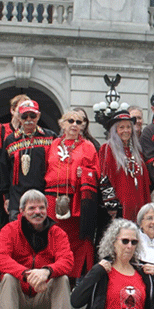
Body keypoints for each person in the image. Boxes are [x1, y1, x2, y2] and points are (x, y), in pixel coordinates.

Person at [0, 189, 75, 309]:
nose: (37, 212)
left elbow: (67, 261)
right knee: (7, 278)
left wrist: (46, 272)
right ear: (22, 211)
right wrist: (25, 275)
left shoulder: (57, 233)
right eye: (31, 208)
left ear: (47, 209)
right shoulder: (9, 230)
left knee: (62, 279)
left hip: (43, 297)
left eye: (41, 208)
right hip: (18, 298)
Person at [45, 108, 101, 279]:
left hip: (76, 198)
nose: (74, 125)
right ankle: (53, 271)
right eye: (70, 121)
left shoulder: (88, 146)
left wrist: (84, 172)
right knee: (53, 236)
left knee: (77, 239)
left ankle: (76, 275)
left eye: (78, 122)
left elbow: (96, 171)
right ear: (62, 124)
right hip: (53, 197)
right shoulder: (53, 144)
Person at [0, 100, 56, 219]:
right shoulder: (10, 140)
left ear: (38, 116)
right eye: (24, 116)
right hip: (17, 198)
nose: (29, 119)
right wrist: (6, 197)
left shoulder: (50, 137)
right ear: (18, 117)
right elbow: (4, 170)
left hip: (43, 195)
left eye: (32, 115)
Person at [98, 109, 151, 221]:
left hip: (139, 204)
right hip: (120, 207)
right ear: (115, 130)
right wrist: (111, 204)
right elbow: (104, 177)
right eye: (121, 127)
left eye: (128, 127)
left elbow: (144, 180)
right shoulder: (107, 149)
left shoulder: (137, 151)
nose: (125, 130)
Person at [0, 94, 28, 224]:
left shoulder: (29, 133)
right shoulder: (1, 128)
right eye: (21, 108)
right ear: (12, 110)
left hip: (23, 183)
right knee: (6, 222)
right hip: (5, 183)